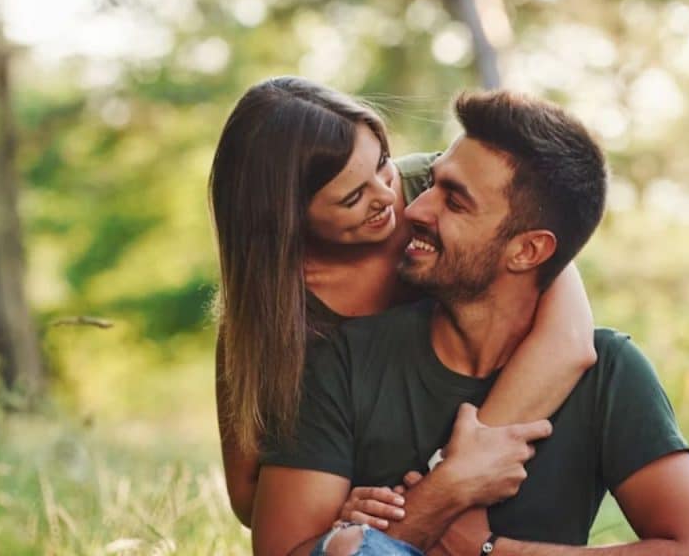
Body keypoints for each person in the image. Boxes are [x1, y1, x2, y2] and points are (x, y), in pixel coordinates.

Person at [253, 90, 689, 555]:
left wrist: (489, 550)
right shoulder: (340, 361)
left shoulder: (609, 373)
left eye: (455, 201)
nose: (414, 209)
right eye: (432, 184)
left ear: (527, 251)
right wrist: (396, 516)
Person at [209, 77, 599, 528]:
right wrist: (348, 503)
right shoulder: (269, 313)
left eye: (384, 164)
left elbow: (569, 340)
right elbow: (246, 496)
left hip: (498, 477)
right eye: (353, 197)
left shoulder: (440, 186)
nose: (388, 199)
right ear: (286, 217)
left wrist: (457, 471)